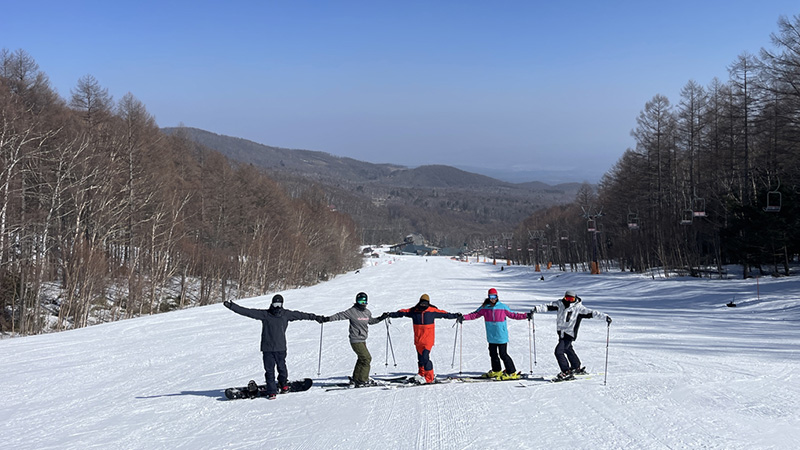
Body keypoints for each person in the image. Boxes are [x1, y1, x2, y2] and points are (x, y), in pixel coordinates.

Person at [224, 294, 322, 399]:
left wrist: (316, 317)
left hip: (280, 348)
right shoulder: (266, 314)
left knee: (282, 368)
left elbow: (302, 315)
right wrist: (232, 307)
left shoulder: (286, 314)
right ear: (272, 303)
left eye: (279, 304)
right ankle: (271, 392)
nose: (277, 306)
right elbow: (248, 312)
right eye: (275, 304)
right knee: (269, 371)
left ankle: (284, 384)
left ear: (282, 304)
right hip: (267, 348)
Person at [529, 290, 612, 381]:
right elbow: (547, 306)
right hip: (561, 332)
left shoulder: (579, 308)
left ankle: (566, 371)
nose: (568, 301)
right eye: (567, 298)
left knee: (559, 352)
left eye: (571, 298)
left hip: (570, 333)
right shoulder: (560, 304)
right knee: (568, 349)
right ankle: (576, 366)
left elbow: (593, 313)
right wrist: (535, 309)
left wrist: (605, 317)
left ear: (575, 298)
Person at [386, 294, 461, 384]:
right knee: (420, 358)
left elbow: (445, 314)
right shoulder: (414, 311)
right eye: (422, 304)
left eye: (425, 304)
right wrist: (389, 314)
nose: (423, 306)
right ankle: (421, 374)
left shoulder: (432, 311)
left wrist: (456, 315)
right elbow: (402, 312)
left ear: (428, 304)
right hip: (418, 340)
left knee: (425, 358)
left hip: (428, 340)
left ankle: (429, 377)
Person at [318, 292, 388, 387]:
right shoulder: (352, 311)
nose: (363, 303)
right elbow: (339, 315)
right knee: (367, 358)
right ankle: (363, 380)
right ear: (356, 301)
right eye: (360, 300)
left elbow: (371, 321)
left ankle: (356, 378)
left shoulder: (367, 312)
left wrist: (381, 318)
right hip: (355, 340)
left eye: (364, 300)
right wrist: (327, 319)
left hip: (363, 340)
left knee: (362, 359)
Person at [460, 288, 528, 380]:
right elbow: (474, 314)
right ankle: (496, 371)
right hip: (491, 336)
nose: (493, 298)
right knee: (493, 354)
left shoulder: (502, 307)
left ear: (497, 297)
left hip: (501, 336)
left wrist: (526, 315)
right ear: (488, 297)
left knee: (503, 354)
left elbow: (514, 315)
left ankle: (511, 372)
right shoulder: (485, 308)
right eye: (491, 296)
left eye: (494, 296)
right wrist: (464, 317)